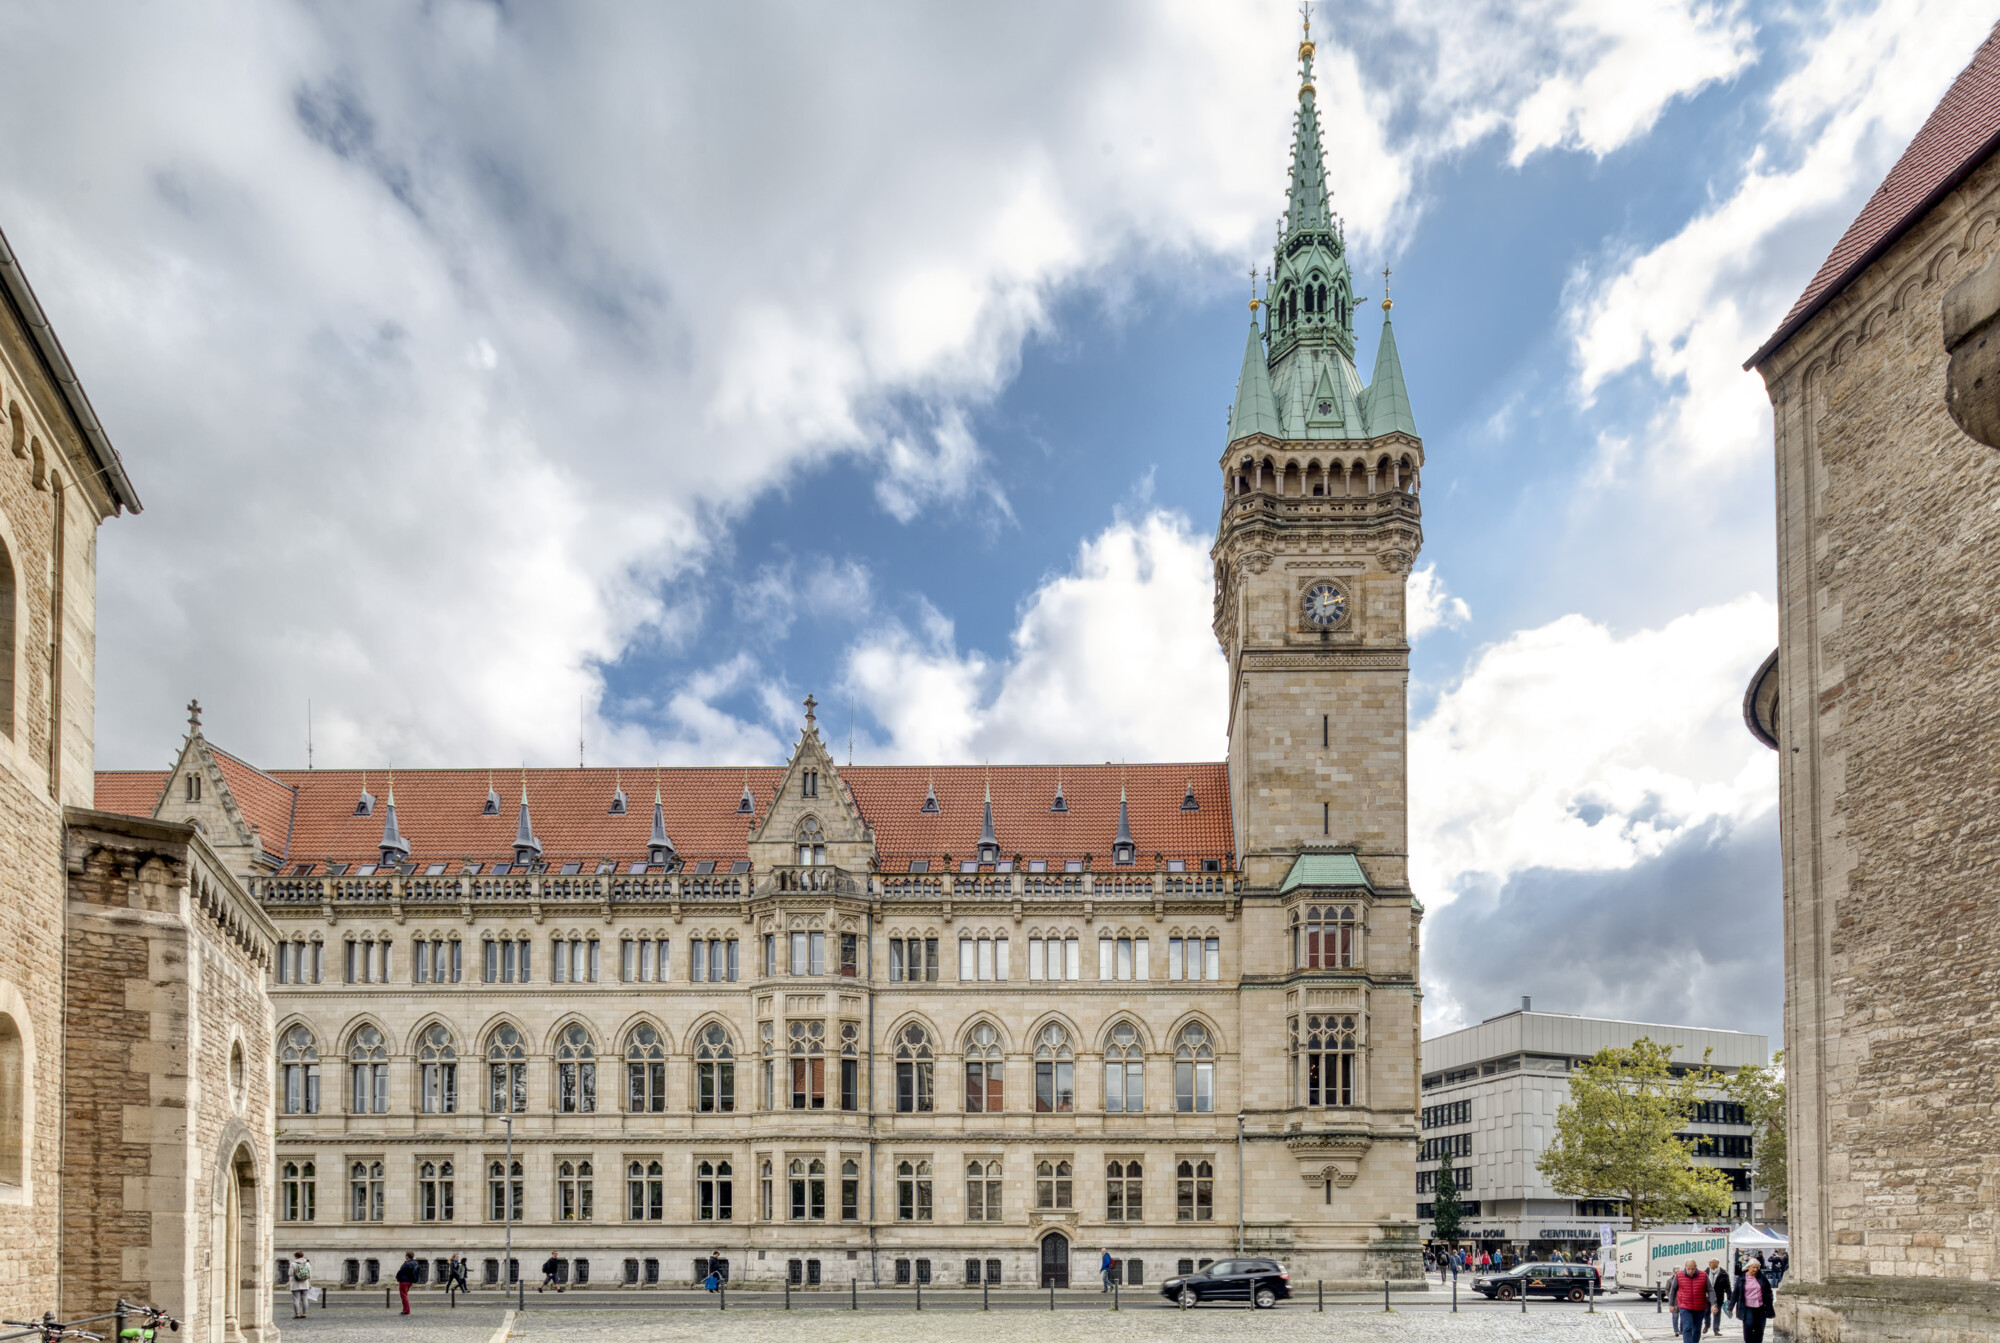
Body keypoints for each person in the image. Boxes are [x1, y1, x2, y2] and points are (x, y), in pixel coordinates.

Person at [1731, 1257, 1776, 1343]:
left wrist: (1770, 1302)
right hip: (1748, 1306)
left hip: (1761, 1305)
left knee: (1760, 1327)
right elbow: (1736, 1293)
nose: (1755, 1269)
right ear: (1748, 1267)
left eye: (1757, 1267)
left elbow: (1768, 1290)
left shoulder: (1762, 1277)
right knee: (1749, 1324)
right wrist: (1731, 1306)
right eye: (1753, 1267)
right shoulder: (1742, 1278)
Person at [1674, 1260, 1710, 1343]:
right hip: (1685, 1306)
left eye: (1693, 1269)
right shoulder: (1679, 1275)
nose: (1691, 1271)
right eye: (1689, 1269)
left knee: (1697, 1329)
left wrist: (1713, 1304)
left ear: (1696, 1267)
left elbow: (1710, 1290)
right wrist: (1671, 1304)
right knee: (1687, 1327)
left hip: (1699, 1306)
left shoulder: (1703, 1275)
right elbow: (1673, 1290)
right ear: (1685, 1267)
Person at [1707, 1258, 1731, 1336]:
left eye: (1712, 1262)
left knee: (1717, 1313)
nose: (1710, 1264)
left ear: (1717, 1263)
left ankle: (1716, 1330)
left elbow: (1727, 1287)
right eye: (1709, 1262)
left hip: (1718, 1296)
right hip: (1707, 1297)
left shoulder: (1723, 1274)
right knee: (1706, 1312)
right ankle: (1707, 1325)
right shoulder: (1706, 1272)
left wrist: (1729, 1298)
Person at [288, 1251, 312, 1319]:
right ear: (302, 1255)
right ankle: (304, 1313)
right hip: (305, 1283)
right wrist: (309, 1283)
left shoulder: (293, 1264)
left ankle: (297, 1314)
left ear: (295, 1256)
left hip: (295, 1284)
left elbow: (290, 1274)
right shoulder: (307, 1263)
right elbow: (310, 1275)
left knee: (296, 1299)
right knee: (305, 1299)